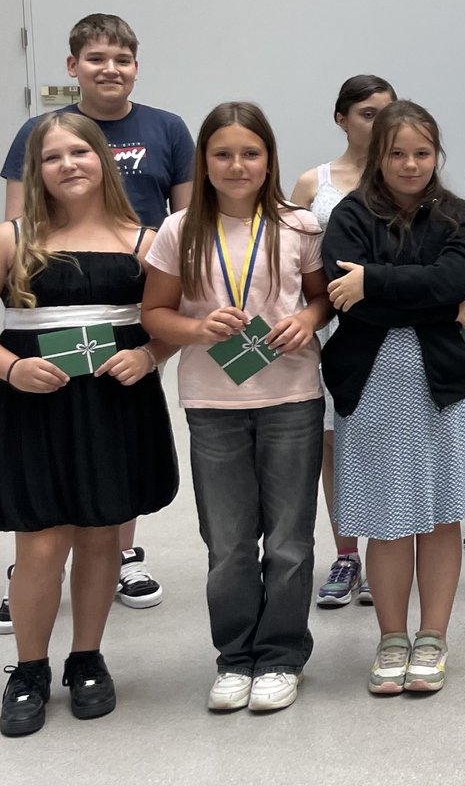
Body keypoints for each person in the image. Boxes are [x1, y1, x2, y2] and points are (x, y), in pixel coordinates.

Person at [0, 111, 179, 736]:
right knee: (41, 543)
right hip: (34, 406)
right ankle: (28, 669)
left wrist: (149, 356)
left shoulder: (145, 240)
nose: (67, 165)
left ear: (104, 158)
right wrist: (9, 367)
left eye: (79, 152)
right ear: (35, 170)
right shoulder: (10, 240)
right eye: (52, 157)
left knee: (103, 535)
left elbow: (169, 319)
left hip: (113, 404)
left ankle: (87, 658)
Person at [0, 13, 190, 629]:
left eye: (122, 59)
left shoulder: (167, 128)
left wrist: (155, 339)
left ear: (136, 66)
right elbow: (17, 229)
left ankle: (120, 552)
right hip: (56, 305)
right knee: (46, 451)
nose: (110, 69)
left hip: (129, 300)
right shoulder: (36, 131)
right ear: (72, 65)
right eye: (97, 58)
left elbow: (185, 225)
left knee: (112, 444)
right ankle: (33, 565)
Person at [143, 102, 330, 714]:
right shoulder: (179, 230)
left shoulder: (299, 225)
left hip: (292, 398)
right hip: (212, 402)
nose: (237, 165)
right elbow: (155, 314)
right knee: (227, 542)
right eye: (222, 154)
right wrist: (197, 329)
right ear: (204, 161)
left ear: (269, 159)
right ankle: (234, 657)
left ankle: (279, 656)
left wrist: (308, 319)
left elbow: (322, 300)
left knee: (289, 540)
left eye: (250, 153)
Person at [321, 101, 465, 695]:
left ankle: (433, 636)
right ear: (378, 155)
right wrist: (430, 300)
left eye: (422, 153)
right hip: (373, 387)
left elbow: (456, 280)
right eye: (397, 153)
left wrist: (374, 280)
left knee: (441, 519)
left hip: (445, 388)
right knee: (388, 522)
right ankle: (392, 637)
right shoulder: (349, 215)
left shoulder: (456, 215)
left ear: (436, 155)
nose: (410, 164)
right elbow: (347, 299)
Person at [289, 74, 395, 610]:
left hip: (390, 329)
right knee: (334, 441)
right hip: (332, 327)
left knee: (384, 441)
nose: (377, 124)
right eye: (367, 114)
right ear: (342, 119)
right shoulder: (314, 183)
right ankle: (347, 554)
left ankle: (384, 555)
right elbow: (291, 261)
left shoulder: (403, 175)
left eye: (386, 113)